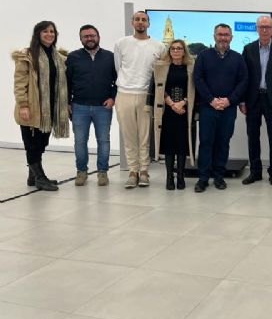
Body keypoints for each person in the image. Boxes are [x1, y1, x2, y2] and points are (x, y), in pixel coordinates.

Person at [12, 21, 70, 191]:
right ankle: (40, 177)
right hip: (32, 108)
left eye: (52, 31)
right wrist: (23, 105)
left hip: (49, 108)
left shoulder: (58, 57)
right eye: (45, 31)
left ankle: (33, 176)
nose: (49, 34)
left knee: (42, 142)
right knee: (32, 144)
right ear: (38, 34)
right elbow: (19, 83)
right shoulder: (27, 56)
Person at [193, 23, 248, 193]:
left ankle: (219, 177)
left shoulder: (238, 58)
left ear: (231, 37)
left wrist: (230, 100)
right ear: (214, 36)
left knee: (223, 143)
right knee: (206, 142)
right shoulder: (203, 56)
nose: (223, 38)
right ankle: (203, 178)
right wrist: (211, 100)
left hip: (228, 108)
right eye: (220, 34)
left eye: (226, 35)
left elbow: (243, 81)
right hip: (207, 107)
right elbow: (198, 79)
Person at [114, 11, 165, 189]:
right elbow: (118, 67)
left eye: (144, 20)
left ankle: (144, 171)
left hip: (146, 95)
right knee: (128, 135)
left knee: (144, 136)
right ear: (132, 22)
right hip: (124, 94)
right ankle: (132, 171)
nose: (140, 22)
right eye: (137, 19)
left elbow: (159, 73)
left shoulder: (159, 46)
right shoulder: (121, 43)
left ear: (148, 23)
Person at [66, 24, 117, 187]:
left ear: (98, 37)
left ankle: (102, 172)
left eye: (92, 35)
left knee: (103, 141)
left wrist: (113, 98)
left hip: (103, 107)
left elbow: (117, 80)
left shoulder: (110, 57)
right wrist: (67, 102)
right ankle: (81, 171)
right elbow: (66, 82)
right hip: (79, 106)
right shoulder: (73, 57)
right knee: (80, 141)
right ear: (81, 39)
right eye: (86, 36)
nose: (89, 38)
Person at [239, 15, 272, 187]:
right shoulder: (248, 49)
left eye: (268, 27)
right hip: (252, 100)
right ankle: (255, 172)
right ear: (257, 29)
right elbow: (243, 76)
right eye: (261, 27)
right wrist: (242, 100)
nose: (265, 30)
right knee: (253, 136)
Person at [148, 39, 196, 190]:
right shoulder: (160, 67)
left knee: (182, 145)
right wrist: (171, 103)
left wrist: (183, 102)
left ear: (184, 51)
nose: (176, 51)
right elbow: (157, 88)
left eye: (179, 48)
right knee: (169, 146)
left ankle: (181, 177)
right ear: (169, 51)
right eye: (173, 48)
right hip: (167, 111)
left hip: (184, 111)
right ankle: (169, 177)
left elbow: (194, 89)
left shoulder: (191, 67)